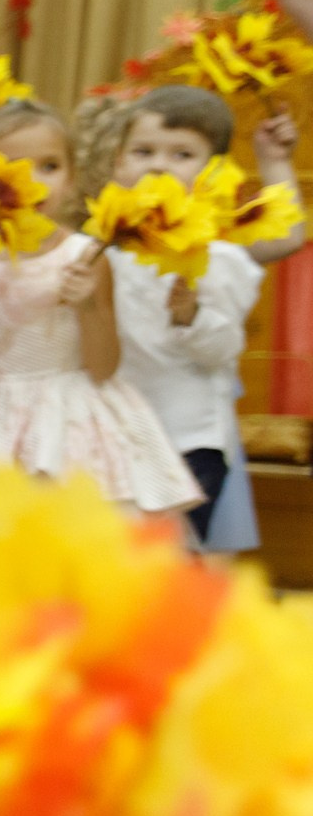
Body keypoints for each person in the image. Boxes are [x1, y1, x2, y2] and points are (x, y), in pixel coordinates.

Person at [0, 98, 200, 532]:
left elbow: (104, 366)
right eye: (14, 168)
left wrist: (88, 303)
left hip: (68, 420)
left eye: (48, 167)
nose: (33, 183)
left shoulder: (86, 256)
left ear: (71, 178)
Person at [93, 85, 294, 548]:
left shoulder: (220, 257)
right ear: (119, 164)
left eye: (181, 154)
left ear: (213, 173)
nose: (158, 165)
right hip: (112, 433)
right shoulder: (102, 248)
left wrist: (192, 316)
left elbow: (224, 349)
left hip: (187, 439)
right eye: (143, 151)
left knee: (172, 560)